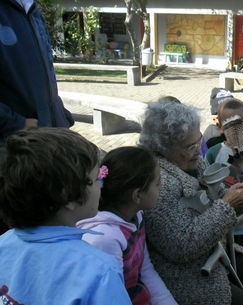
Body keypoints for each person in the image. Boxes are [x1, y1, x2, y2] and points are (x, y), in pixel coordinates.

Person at [138, 99, 243, 305]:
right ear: (163, 148)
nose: (199, 150)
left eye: (199, 141)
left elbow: (222, 192)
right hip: (189, 275)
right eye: (190, 146)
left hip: (216, 253)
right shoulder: (158, 182)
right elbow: (181, 247)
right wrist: (228, 205)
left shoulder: (190, 160)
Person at [0, 128, 131, 305]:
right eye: (96, 179)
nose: (101, 186)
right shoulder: (99, 271)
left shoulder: (4, 242)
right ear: (67, 194)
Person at [77, 146, 178, 305]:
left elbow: (145, 269)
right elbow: (111, 297)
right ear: (138, 195)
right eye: (157, 183)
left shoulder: (135, 215)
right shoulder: (105, 239)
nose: (161, 187)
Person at [0, 0, 74, 142]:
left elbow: (44, 74)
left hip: (47, 137)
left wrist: (60, 114)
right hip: (14, 146)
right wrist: (16, 124)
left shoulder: (33, 12)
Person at [205, 98, 243, 252]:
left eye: (239, 123)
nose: (234, 129)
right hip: (223, 226)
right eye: (228, 124)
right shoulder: (213, 154)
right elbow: (207, 189)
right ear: (219, 126)